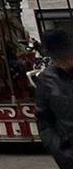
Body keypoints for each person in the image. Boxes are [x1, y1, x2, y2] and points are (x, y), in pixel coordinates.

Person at [36, 29, 73, 169]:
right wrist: (58, 149)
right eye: (57, 58)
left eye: (66, 56)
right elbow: (44, 121)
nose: (63, 61)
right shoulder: (45, 80)